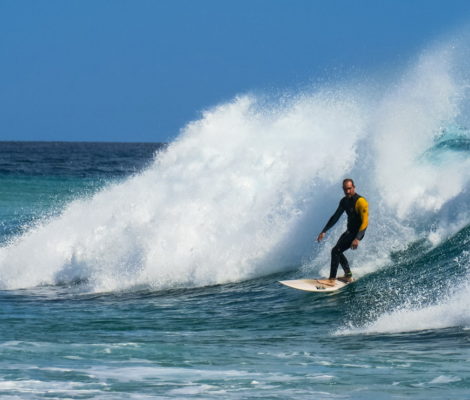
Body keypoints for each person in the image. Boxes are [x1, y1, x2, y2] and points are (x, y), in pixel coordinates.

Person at [316, 179, 368, 284]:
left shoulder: (361, 201)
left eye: (349, 188)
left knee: (335, 251)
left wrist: (357, 238)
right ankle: (348, 275)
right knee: (337, 251)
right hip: (349, 231)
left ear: (354, 187)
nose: (347, 191)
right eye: (345, 189)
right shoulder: (344, 201)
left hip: (357, 233)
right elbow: (335, 217)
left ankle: (332, 279)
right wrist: (324, 230)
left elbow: (365, 222)